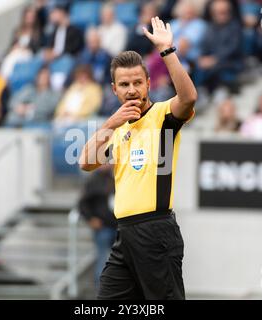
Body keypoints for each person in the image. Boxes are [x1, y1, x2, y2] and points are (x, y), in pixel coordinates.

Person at [79, 16, 196, 300]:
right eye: (124, 84)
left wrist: (167, 51)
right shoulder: (118, 127)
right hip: (125, 235)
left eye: (137, 82)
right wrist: (109, 125)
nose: (131, 89)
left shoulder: (163, 115)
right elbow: (85, 162)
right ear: (114, 89)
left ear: (148, 83)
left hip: (156, 231)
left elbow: (189, 97)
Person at [78, 164, 117, 288]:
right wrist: (91, 219)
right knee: (102, 262)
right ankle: (101, 292)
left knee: (120, 263)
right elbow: (82, 204)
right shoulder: (93, 180)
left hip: (119, 228)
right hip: (103, 229)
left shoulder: (116, 177)